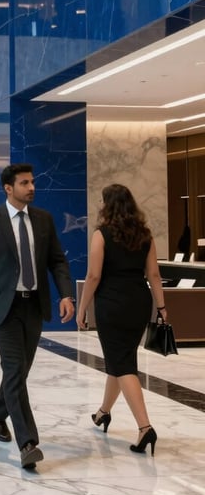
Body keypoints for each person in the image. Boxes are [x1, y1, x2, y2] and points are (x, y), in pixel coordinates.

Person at [0, 163, 74, 471]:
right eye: (25, 183)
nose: (32, 187)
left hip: (33, 306)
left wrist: (66, 294)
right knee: (13, 368)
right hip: (3, 308)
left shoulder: (44, 220)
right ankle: (28, 443)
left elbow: (57, 260)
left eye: (33, 182)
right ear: (9, 188)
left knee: (20, 371)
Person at [76, 184, 166, 456]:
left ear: (108, 205)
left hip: (111, 304)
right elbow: (154, 275)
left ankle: (144, 428)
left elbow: (93, 276)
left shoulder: (101, 235)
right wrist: (162, 306)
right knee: (121, 359)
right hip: (139, 302)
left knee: (123, 363)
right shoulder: (145, 236)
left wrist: (82, 309)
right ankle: (103, 412)